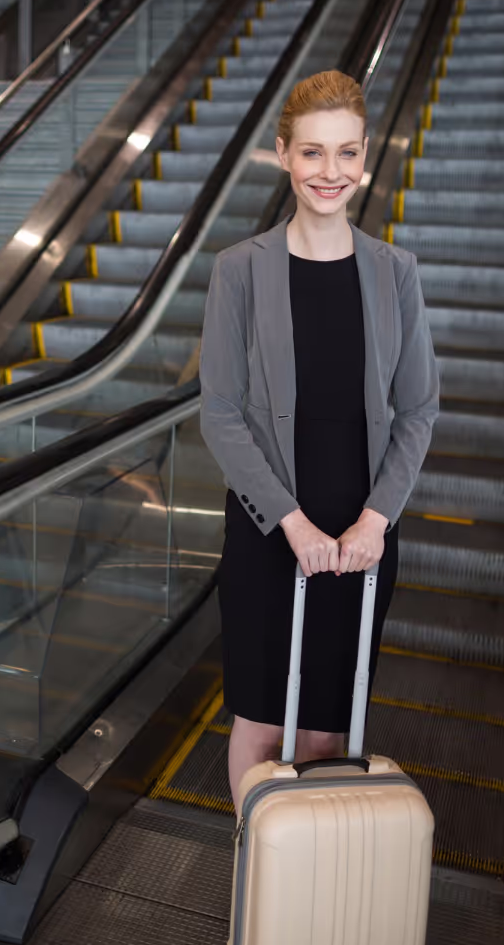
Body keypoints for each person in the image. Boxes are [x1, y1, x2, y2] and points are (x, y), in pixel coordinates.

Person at [198, 70, 440, 809]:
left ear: (366, 155)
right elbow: (220, 411)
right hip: (272, 529)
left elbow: (419, 408)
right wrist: (293, 526)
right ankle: (260, 866)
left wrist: (376, 521)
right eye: (312, 153)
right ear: (283, 156)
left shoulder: (396, 272)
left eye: (345, 153)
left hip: (362, 535)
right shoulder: (240, 270)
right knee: (261, 720)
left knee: (328, 735)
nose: (329, 173)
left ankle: (305, 886)